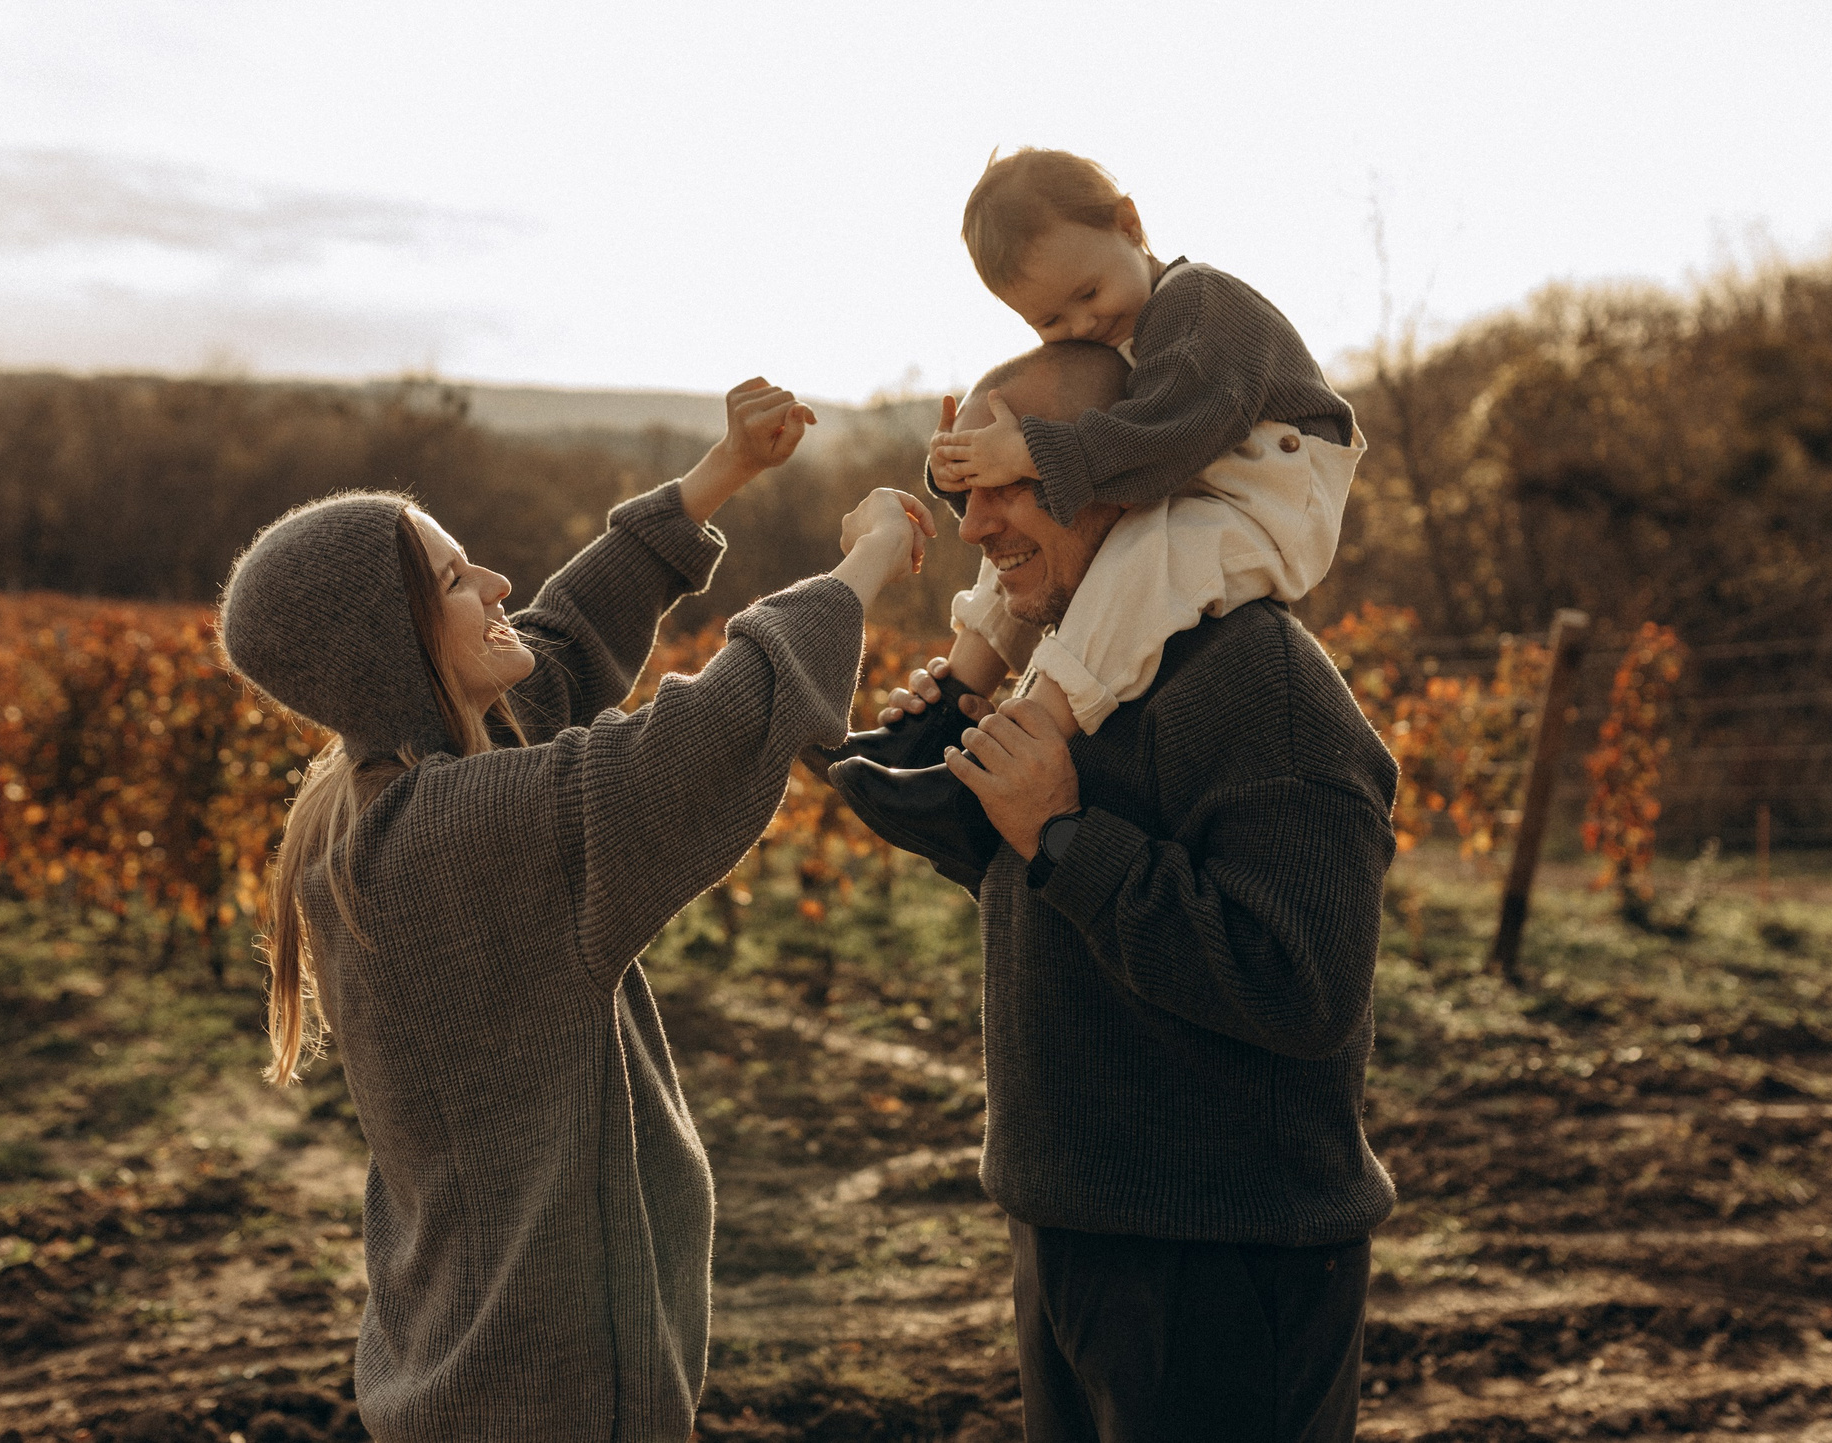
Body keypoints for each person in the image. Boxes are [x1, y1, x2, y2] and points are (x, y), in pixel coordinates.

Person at [215, 377, 935, 1443]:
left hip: (489, 1370)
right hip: (546, 1391)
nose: (496, 582)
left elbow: (559, 641)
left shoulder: (388, 781)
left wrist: (720, 475)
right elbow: (697, 740)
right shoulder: (451, 840)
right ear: (396, 644)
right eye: (457, 579)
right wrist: (866, 562)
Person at [838, 342, 1399, 1443]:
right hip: (1074, 1231)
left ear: (1118, 471)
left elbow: (1303, 989)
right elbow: (1068, 900)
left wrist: (1059, 834)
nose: (975, 525)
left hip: (1223, 1264)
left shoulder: (1263, 685)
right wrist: (972, 807)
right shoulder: (1077, 667)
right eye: (963, 493)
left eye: (1007, 485)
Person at [820, 148, 1362, 867]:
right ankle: (946, 712)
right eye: (1050, 319)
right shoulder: (1121, 327)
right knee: (1025, 540)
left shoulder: (1200, 303)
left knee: (1138, 557)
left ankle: (992, 771)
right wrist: (967, 466)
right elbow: (1106, 445)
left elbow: (1171, 435)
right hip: (1193, 473)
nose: (1082, 322)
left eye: (1088, 292)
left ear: (1129, 224)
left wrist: (1028, 453)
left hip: (1275, 488)